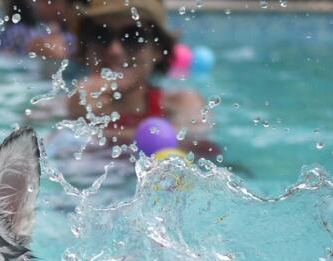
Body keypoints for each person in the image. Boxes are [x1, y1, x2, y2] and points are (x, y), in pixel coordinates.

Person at [68, 0, 221, 160]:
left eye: (132, 36)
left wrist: (86, 132)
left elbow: (201, 151)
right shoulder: (65, 107)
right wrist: (75, 118)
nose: (115, 50)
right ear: (86, 48)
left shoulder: (180, 105)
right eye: (101, 36)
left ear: (158, 50)